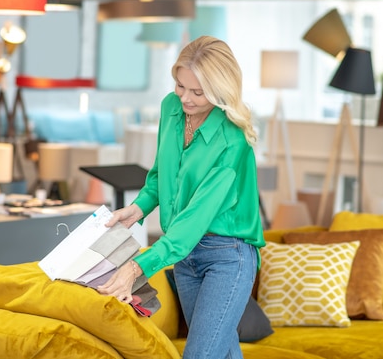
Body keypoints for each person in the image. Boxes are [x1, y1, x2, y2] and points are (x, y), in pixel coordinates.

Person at [97, 35, 265, 359]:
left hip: (226, 257)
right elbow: (162, 173)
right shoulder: (170, 108)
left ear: (220, 91)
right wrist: (138, 207)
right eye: (180, 86)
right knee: (223, 354)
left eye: (198, 92)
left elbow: (192, 222)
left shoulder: (233, 142)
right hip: (186, 257)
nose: (185, 98)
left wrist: (135, 269)